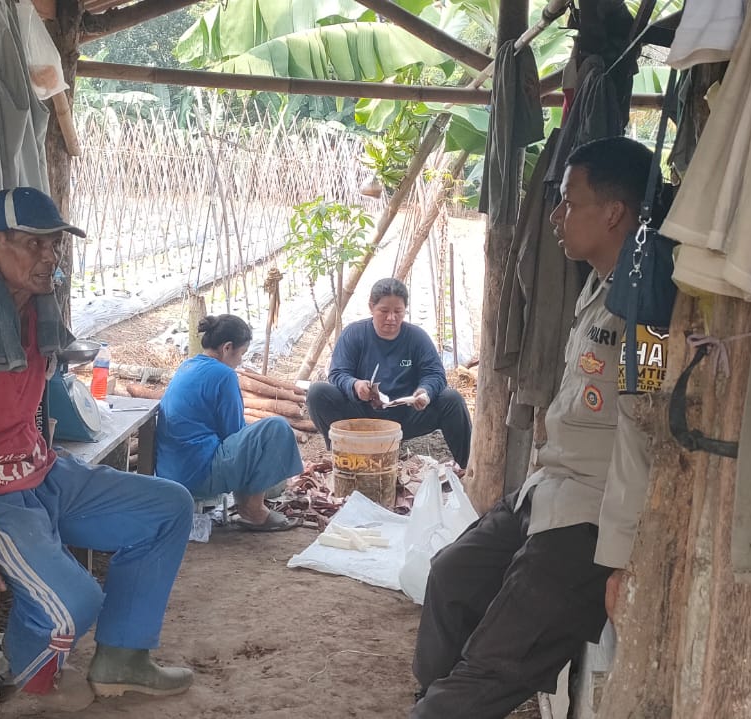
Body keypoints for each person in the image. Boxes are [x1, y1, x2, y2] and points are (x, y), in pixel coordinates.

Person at [0, 187, 195, 711]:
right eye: (34, 243)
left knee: (168, 507)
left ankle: (123, 659)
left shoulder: (39, 311)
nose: (49, 256)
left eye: (54, 243)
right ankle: (28, 677)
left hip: (41, 472)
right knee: (73, 604)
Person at [410, 137, 661, 718]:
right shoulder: (598, 285)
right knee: (450, 576)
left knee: (493, 661)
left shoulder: (648, 311)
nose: (555, 216)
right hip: (546, 491)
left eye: (570, 201)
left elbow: (642, 432)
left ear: (614, 213)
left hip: (588, 520)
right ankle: (432, 699)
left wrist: (621, 557)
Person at [156, 314, 305, 531]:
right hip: (198, 474)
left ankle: (249, 501)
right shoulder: (224, 375)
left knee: (264, 453)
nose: (241, 361)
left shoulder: (188, 365)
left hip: (172, 471)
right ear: (227, 348)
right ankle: (253, 511)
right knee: (277, 428)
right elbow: (232, 432)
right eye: (241, 353)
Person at [306, 278, 472, 468]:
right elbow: (337, 373)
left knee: (452, 399)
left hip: (406, 416)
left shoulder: (417, 338)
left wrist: (425, 391)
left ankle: (469, 467)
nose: (391, 318)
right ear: (371, 307)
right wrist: (355, 385)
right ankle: (344, 453)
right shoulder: (354, 334)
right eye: (384, 311)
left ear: (405, 310)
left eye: (398, 312)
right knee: (317, 393)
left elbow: (435, 374)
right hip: (362, 416)